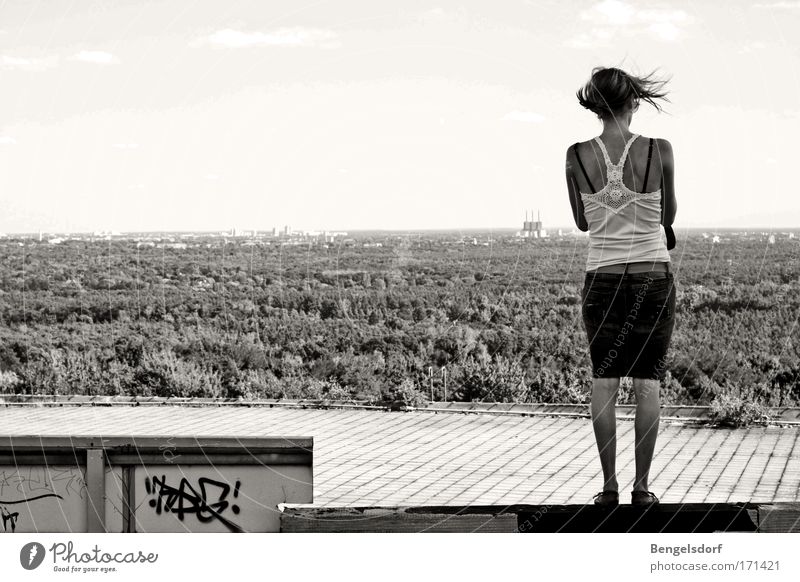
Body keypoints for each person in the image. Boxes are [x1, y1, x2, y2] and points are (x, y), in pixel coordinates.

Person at [565, 66, 677, 508]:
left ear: (596, 106)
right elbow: (667, 214)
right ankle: (642, 489)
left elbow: (581, 222)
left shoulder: (575, 155)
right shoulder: (659, 150)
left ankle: (608, 488)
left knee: (604, 381)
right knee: (647, 382)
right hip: (652, 278)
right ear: (634, 102)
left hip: (602, 279)